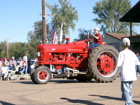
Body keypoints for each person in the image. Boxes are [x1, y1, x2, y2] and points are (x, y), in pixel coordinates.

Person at [117, 38, 140, 105]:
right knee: (128, 89)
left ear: (122, 45)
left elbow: (119, 64)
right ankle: (127, 101)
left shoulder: (121, 53)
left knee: (125, 90)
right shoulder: (132, 53)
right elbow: (137, 63)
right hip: (132, 75)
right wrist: (138, 70)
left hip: (125, 75)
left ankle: (129, 103)